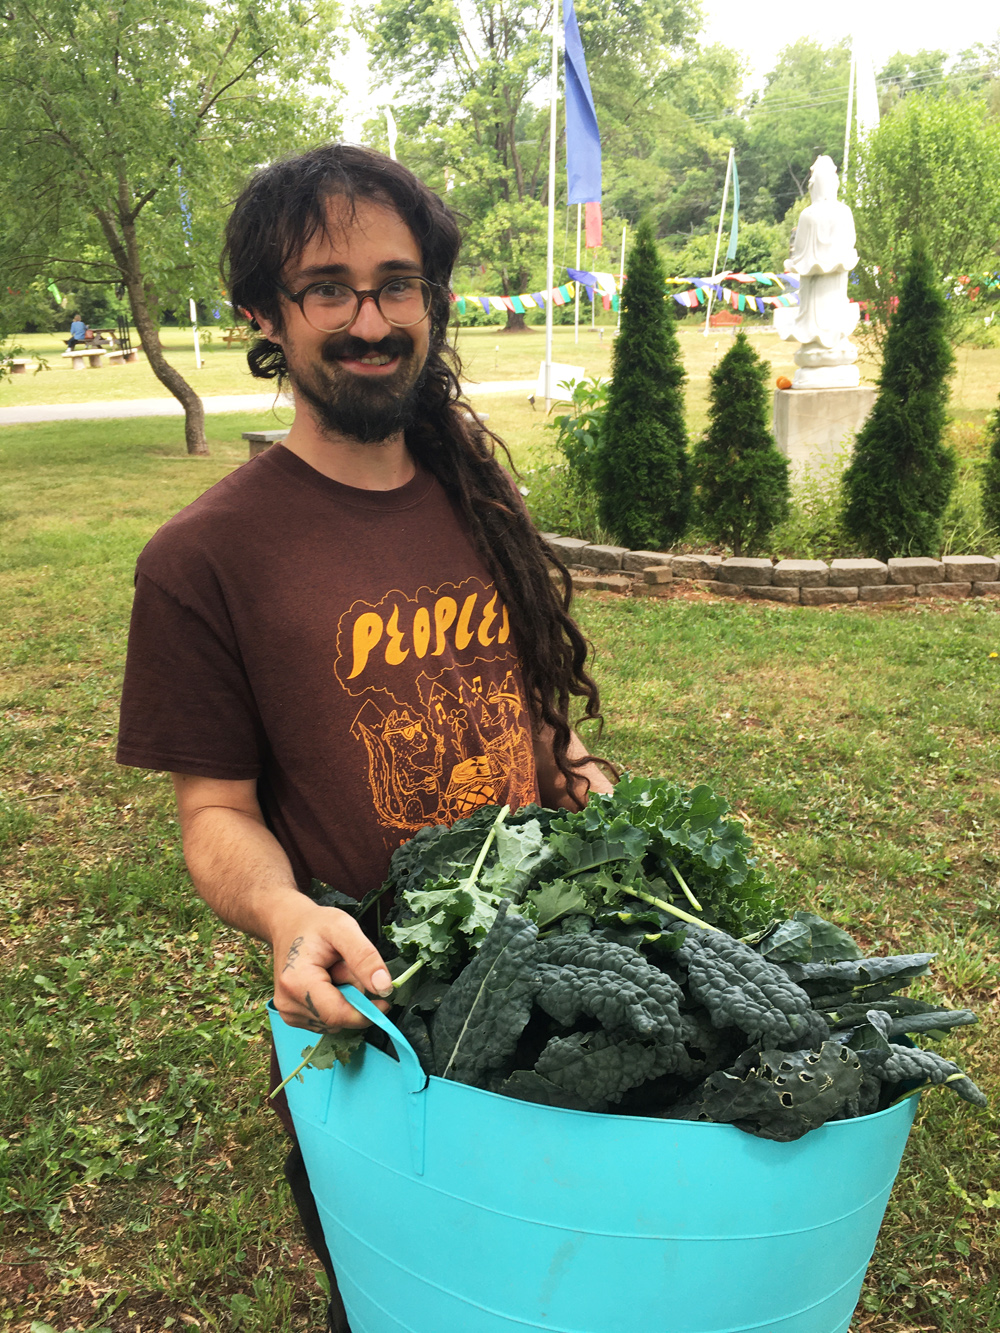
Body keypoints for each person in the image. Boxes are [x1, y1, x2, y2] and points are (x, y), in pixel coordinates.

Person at [116, 144, 613, 1332]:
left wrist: (574, 769)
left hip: (562, 988)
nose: (371, 318)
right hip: (379, 1024)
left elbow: (525, 702)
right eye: (327, 288)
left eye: (397, 284)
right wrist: (290, 918)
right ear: (262, 318)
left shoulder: (477, 494)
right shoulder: (202, 559)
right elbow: (216, 812)